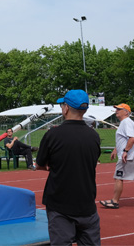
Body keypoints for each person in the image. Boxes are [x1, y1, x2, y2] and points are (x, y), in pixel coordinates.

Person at [36, 89, 101, 246]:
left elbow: (39, 164)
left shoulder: (53, 135)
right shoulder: (94, 136)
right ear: (85, 109)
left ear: (65, 108)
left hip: (60, 206)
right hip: (87, 205)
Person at [100, 103, 134, 209]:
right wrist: (115, 149)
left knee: (118, 177)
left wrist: (125, 151)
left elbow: (132, 138)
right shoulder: (125, 123)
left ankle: (114, 201)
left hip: (127, 157)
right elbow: (123, 139)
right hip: (127, 155)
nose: (116, 111)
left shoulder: (126, 122)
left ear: (126, 112)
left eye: (119, 109)